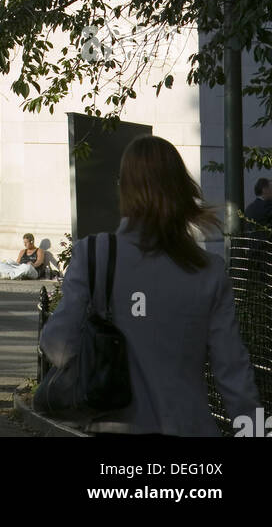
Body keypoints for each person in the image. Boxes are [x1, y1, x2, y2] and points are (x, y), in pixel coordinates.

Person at [39, 135, 259, 437]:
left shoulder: (96, 254)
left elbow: (58, 342)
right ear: (181, 189)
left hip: (115, 426)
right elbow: (233, 370)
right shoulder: (208, 270)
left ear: (125, 188)